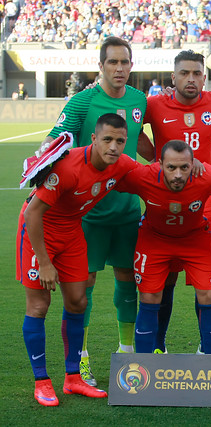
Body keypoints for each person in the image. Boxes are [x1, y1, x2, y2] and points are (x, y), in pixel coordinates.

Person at [41, 36, 151, 386]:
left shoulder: (139, 100)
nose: (119, 69)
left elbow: (141, 141)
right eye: (113, 63)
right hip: (86, 215)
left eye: (125, 63)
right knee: (81, 289)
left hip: (127, 212)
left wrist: (168, 164)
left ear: (131, 66)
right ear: (100, 66)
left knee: (128, 282)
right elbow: (55, 143)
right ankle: (81, 360)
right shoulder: (82, 101)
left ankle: (127, 351)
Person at [18, 114, 137, 406]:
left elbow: (155, 174)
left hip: (71, 232)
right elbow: (33, 214)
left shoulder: (121, 164)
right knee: (39, 305)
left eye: (120, 141)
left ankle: (73, 378)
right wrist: (44, 263)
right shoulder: (69, 167)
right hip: (39, 231)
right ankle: (42, 381)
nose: (113, 146)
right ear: (93, 139)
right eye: (107, 139)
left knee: (78, 301)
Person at [140, 49, 211, 354]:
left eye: (196, 73)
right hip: (163, 202)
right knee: (163, 282)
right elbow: (132, 127)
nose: (191, 79)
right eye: (184, 73)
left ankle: (206, 351)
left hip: (206, 206)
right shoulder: (154, 103)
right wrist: (156, 159)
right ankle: (157, 347)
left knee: (205, 285)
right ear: (173, 76)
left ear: (205, 76)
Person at [115, 140, 211, 354]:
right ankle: (144, 366)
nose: (178, 174)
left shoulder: (205, 174)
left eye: (184, 167)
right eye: (171, 167)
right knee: (150, 297)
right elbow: (109, 179)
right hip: (154, 240)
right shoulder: (144, 176)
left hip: (195, 239)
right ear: (160, 164)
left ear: (193, 164)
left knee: (208, 295)